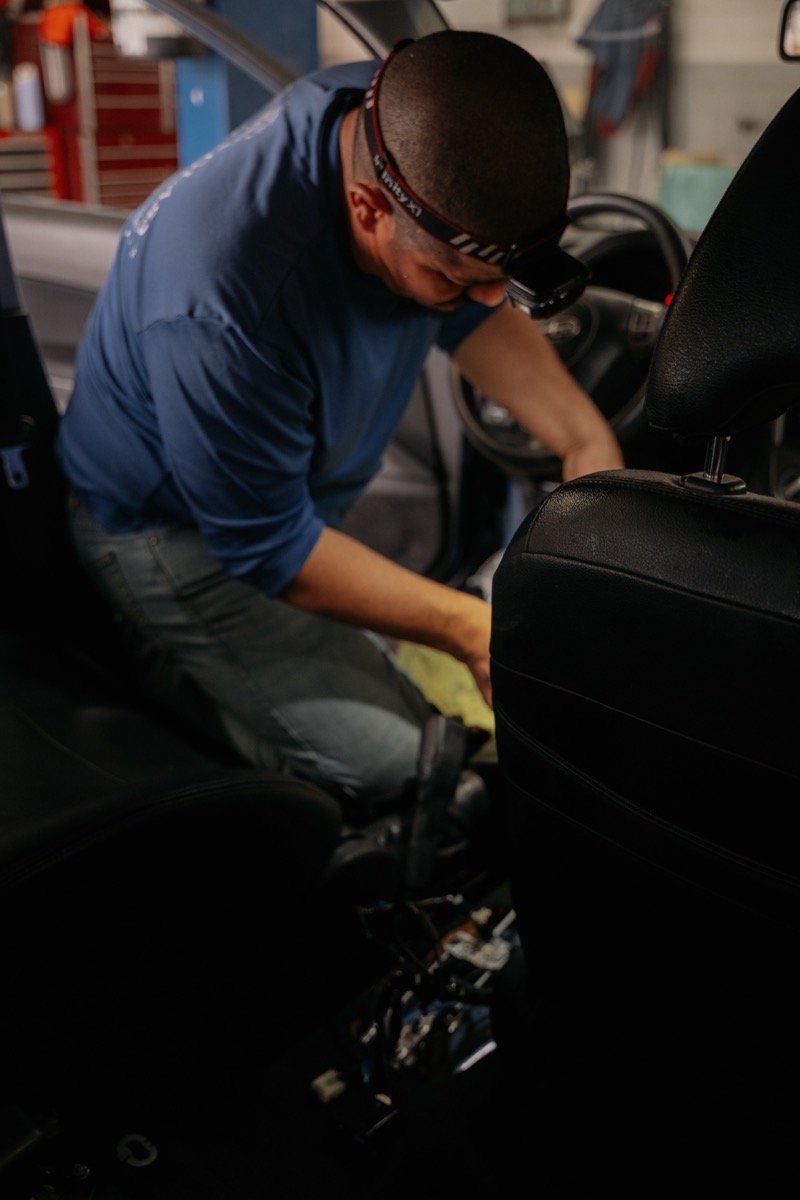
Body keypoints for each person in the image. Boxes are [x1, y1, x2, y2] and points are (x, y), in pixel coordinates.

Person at [57, 30, 624, 801]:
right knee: (398, 770)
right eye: (455, 282)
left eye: (503, 280)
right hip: (175, 536)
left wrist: (585, 440)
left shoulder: (398, 117)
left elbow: (481, 310)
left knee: (428, 715)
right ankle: (157, 682)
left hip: (294, 507)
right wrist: (470, 630)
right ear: (367, 209)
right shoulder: (221, 301)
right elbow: (265, 544)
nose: (488, 303)